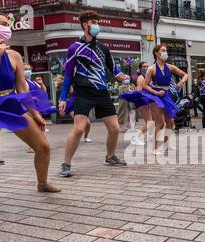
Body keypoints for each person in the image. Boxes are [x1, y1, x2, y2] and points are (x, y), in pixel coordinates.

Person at [0, 11, 60, 220]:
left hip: (10, 101)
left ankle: (42, 183)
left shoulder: (14, 55)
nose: (8, 27)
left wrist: (35, 114)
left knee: (42, 146)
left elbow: (22, 88)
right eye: (4, 23)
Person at [58, 11, 130, 177]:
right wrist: (62, 98)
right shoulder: (74, 48)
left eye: (97, 21)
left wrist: (120, 75)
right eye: (93, 21)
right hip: (82, 92)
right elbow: (68, 74)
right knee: (79, 129)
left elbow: (114, 68)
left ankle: (110, 157)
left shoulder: (103, 49)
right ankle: (66, 164)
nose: (97, 24)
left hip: (102, 92)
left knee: (114, 128)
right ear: (85, 25)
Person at [138, 44, 189, 154]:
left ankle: (166, 144)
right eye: (163, 50)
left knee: (170, 122)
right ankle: (154, 148)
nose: (165, 53)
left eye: (166, 51)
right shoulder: (151, 69)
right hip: (155, 96)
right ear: (157, 53)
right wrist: (155, 92)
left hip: (166, 95)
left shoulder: (170, 67)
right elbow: (145, 85)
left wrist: (181, 82)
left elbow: (185, 74)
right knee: (160, 123)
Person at [119, 61, 153, 146]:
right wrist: (146, 102)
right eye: (144, 66)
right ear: (140, 68)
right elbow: (139, 91)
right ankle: (136, 138)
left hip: (146, 101)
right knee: (150, 122)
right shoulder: (141, 78)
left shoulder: (147, 77)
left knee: (149, 121)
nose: (146, 68)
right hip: (142, 102)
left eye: (147, 66)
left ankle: (150, 136)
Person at [55, 74, 92, 143]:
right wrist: (61, 109)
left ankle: (85, 137)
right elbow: (62, 113)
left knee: (88, 123)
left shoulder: (76, 89)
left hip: (79, 106)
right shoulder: (63, 96)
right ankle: (74, 138)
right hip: (71, 108)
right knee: (79, 124)